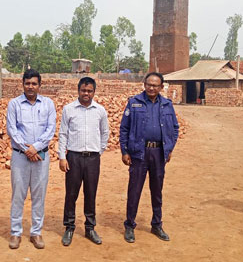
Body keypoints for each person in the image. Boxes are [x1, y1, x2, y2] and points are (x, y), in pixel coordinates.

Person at [119, 72, 179, 243]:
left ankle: (157, 224)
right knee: (134, 190)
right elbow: (124, 128)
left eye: (155, 85)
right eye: (149, 84)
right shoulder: (134, 102)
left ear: (161, 87)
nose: (152, 88)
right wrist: (124, 151)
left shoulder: (167, 105)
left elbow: (174, 129)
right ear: (144, 85)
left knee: (157, 191)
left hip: (158, 154)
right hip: (139, 153)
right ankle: (130, 225)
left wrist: (169, 148)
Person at [6, 69, 56, 250]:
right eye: (27, 83)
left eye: (34, 83)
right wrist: (27, 149)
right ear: (23, 84)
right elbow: (12, 129)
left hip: (41, 157)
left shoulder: (48, 104)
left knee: (39, 195)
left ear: (39, 85)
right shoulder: (14, 104)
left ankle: (36, 232)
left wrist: (35, 148)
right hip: (20, 157)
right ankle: (15, 232)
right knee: (18, 195)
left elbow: (50, 130)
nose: (30, 87)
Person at [57, 77, 109, 247]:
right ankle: (69, 227)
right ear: (78, 90)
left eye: (89, 91)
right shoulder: (69, 109)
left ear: (94, 92)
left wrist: (98, 151)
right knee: (71, 194)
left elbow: (104, 133)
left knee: (91, 193)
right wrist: (62, 157)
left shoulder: (100, 110)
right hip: (74, 157)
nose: (86, 94)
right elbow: (63, 134)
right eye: (83, 90)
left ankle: (90, 227)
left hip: (93, 158)